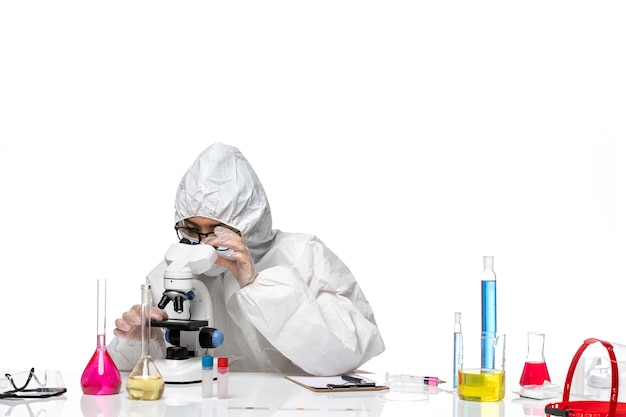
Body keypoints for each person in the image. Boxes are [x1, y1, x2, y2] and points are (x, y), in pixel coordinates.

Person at [107, 142, 385, 376]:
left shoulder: (302, 254)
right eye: (192, 230)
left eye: (218, 230)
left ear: (249, 224)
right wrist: (142, 338)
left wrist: (255, 283)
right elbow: (124, 368)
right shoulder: (169, 274)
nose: (205, 243)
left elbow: (345, 354)